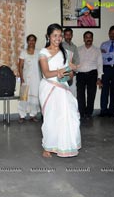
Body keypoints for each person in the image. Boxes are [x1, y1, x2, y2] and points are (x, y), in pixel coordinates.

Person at [38, 23, 81, 158]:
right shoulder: (43, 53)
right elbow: (46, 73)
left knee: (70, 115)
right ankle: (47, 147)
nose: (58, 38)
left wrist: (70, 73)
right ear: (48, 37)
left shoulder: (65, 52)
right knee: (52, 118)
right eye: (55, 35)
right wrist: (60, 72)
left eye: (60, 35)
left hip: (63, 88)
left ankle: (67, 145)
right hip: (50, 88)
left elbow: (70, 74)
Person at [76, 31, 103, 119]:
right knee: (80, 95)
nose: (88, 39)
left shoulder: (97, 50)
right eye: (86, 37)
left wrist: (99, 78)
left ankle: (89, 113)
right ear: (84, 39)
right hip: (80, 75)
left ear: (92, 38)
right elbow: (75, 62)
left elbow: (100, 64)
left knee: (91, 95)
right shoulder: (78, 49)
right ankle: (82, 113)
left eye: (90, 37)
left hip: (92, 74)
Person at [17, 34, 41, 123]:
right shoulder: (23, 52)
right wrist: (21, 77)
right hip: (25, 78)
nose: (31, 42)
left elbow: (42, 66)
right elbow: (20, 66)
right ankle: (22, 115)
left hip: (36, 78)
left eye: (33, 40)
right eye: (30, 40)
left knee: (35, 97)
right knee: (23, 97)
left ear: (35, 41)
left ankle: (33, 115)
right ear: (27, 42)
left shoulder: (39, 52)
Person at [62, 28, 80, 97]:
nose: (68, 36)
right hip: (63, 73)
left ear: (72, 35)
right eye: (66, 35)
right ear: (64, 36)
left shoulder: (74, 47)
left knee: (72, 94)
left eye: (70, 35)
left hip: (72, 73)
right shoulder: (60, 46)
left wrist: (73, 69)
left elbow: (76, 59)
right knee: (63, 94)